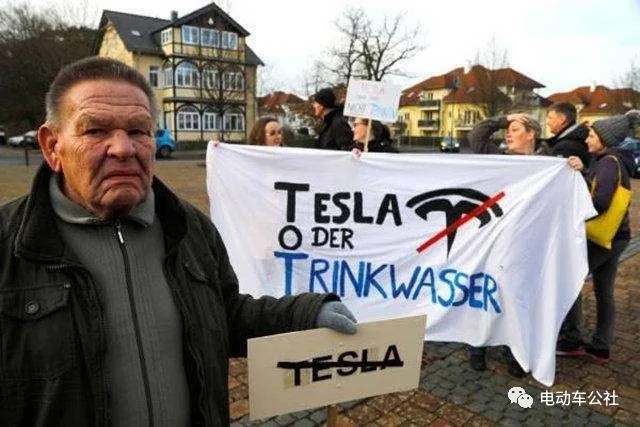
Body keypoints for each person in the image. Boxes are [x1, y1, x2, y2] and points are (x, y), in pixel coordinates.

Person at [0, 57, 357, 425]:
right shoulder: (9, 245)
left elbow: (225, 315)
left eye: (139, 131)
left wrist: (303, 313)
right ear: (52, 146)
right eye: (95, 131)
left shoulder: (191, 229)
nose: (123, 148)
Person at [466, 112, 542, 378]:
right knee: (485, 293)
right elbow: (476, 136)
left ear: (531, 134)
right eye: (507, 129)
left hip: (525, 245)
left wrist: (578, 166)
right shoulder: (497, 157)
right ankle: (478, 347)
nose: (508, 133)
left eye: (515, 129)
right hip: (492, 241)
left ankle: (514, 352)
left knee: (517, 299)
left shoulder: (548, 164)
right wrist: (504, 119)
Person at [562, 110, 638, 363]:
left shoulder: (607, 163)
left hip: (602, 238)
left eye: (592, 136)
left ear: (605, 139)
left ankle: (571, 339)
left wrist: (572, 212)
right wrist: (584, 170)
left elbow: (600, 202)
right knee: (604, 291)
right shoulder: (614, 160)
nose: (587, 139)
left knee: (570, 279)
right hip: (618, 236)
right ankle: (601, 346)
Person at [539, 102, 591, 166]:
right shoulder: (576, 136)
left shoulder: (566, 146)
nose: (548, 122)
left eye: (550, 118)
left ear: (562, 119)